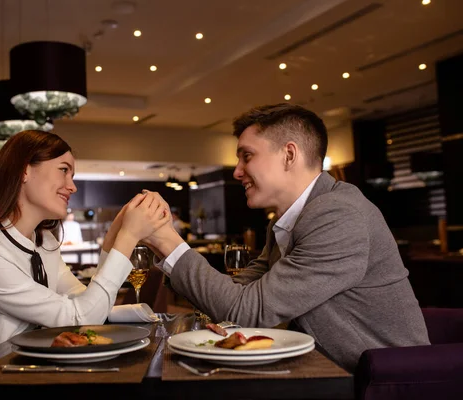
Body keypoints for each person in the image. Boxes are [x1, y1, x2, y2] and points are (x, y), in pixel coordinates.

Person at [135, 103, 430, 373]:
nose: (237, 171)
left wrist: (167, 242)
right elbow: (237, 292)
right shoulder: (288, 219)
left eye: (247, 156)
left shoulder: (339, 214)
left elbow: (248, 310)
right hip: (325, 370)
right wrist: (167, 247)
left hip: (383, 380)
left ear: (289, 154)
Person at [0, 130, 169, 373]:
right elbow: (81, 318)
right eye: (64, 170)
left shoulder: (43, 241)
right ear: (25, 170)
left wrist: (113, 237)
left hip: (21, 373)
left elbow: (88, 306)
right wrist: (128, 237)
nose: (72, 186)